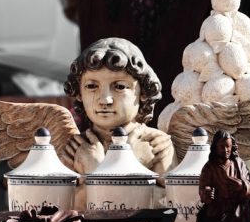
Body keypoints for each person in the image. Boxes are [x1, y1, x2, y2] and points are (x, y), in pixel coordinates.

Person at [62, 37, 174, 175]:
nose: (105, 100)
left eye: (120, 86)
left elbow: (167, 195)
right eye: (91, 86)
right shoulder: (76, 148)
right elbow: (63, 196)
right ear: (79, 93)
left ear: (143, 92)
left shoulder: (155, 144)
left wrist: (95, 173)